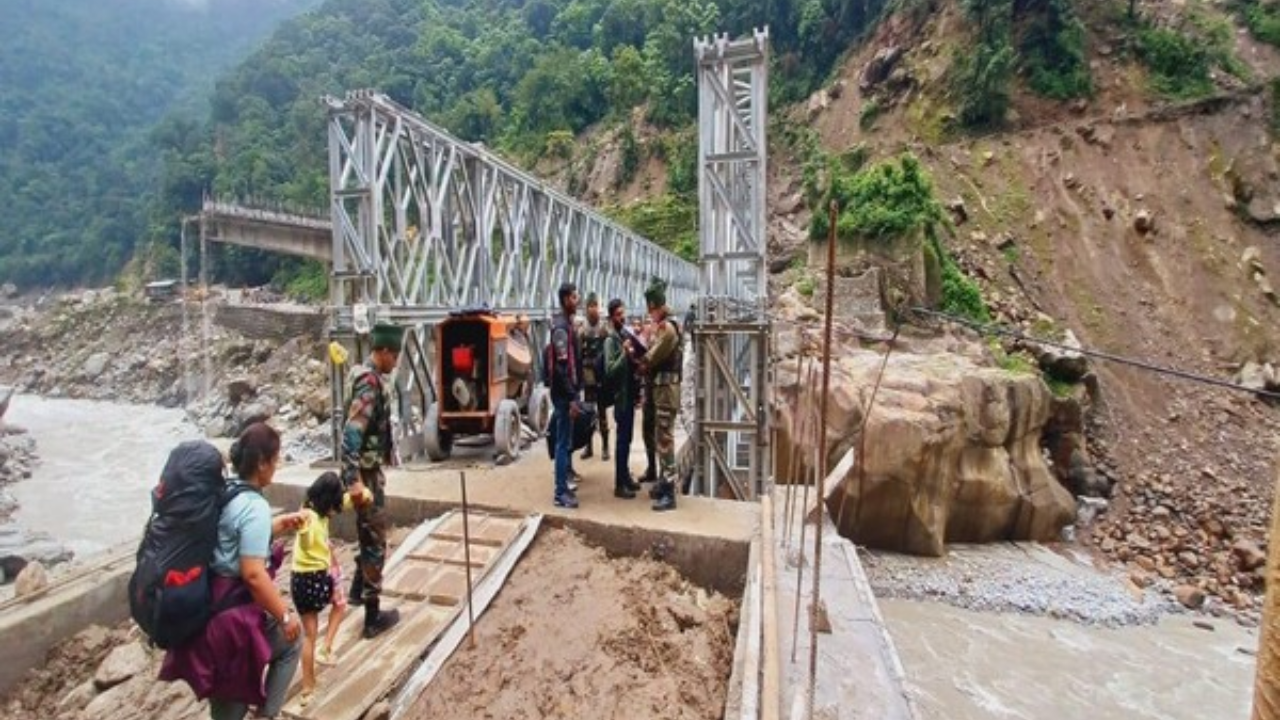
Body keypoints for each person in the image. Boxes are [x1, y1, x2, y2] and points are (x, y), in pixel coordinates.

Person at [159, 422, 305, 720]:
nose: (276, 467)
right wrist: (284, 615)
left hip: (207, 610)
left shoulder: (227, 493)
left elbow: (230, 538)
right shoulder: (255, 507)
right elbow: (253, 574)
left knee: (226, 705)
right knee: (293, 641)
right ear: (262, 463)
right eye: (275, 461)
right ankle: (266, 715)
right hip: (233, 622)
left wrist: (279, 525)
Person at [340, 323, 403, 639]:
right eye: (396, 355)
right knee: (376, 539)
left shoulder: (364, 375)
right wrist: (352, 480)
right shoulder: (370, 383)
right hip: (365, 475)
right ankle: (372, 617)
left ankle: (356, 590)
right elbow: (352, 432)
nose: (396, 362)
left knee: (367, 532)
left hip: (366, 471)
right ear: (384, 351)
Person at [290, 472, 369, 707]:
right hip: (316, 577)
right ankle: (327, 649)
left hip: (297, 580)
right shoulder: (310, 520)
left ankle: (307, 687)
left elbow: (349, 499)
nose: (336, 510)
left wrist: (359, 493)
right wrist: (364, 492)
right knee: (340, 603)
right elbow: (305, 537)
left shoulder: (307, 507)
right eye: (334, 506)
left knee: (309, 635)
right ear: (328, 503)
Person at [639, 278, 682, 512]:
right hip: (661, 390)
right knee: (660, 435)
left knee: (665, 439)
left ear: (657, 306)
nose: (650, 314)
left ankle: (669, 492)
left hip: (666, 390)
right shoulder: (664, 325)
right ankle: (664, 483)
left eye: (651, 309)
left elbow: (651, 358)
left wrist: (639, 356)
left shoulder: (668, 329)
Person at [604, 298, 643, 499]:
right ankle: (619, 484)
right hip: (620, 398)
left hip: (629, 395)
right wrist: (624, 355)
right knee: (621, 441)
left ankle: (625, 476)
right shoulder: (611, 341)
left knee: (627, 440)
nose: (623, 317)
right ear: (612, 317)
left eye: (623, 313)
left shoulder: (623, 336)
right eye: (618, 314)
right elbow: (610, 370)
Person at [549, 282, 584, 509]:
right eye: (573, 297)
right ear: (564, 300)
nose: (577, 300)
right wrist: (572, 396)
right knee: (562, 443)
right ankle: (560, 492)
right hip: (563, 395)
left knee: (566, 440)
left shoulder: (567, 325)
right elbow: (562, 368)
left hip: (567, 392)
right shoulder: (561, 328)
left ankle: (564, 485)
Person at [579, 293, 611, 462]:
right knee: (588, 412)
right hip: (588, 373)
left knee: (602, 411)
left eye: (595, 306)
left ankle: (605, 445)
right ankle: (588, 445)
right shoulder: (582, 329)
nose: (593, 309)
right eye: (590, 306)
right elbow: (578, 353)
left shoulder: (604, 328)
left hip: (601, 374)